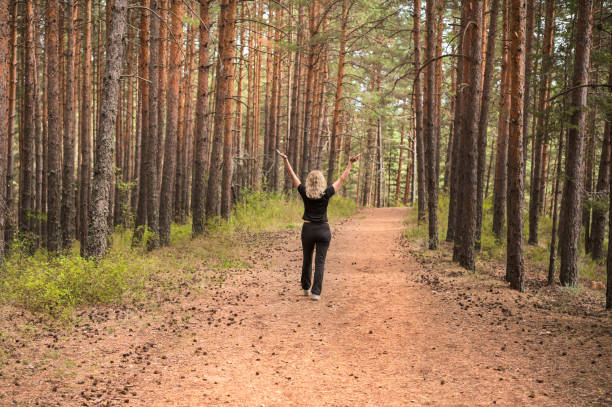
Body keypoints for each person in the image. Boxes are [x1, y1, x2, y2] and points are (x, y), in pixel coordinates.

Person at [276, 149, 361, 301]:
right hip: (323, 230)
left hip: (308, 229)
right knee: (320, 262)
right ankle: (316, 293)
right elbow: (341, 180)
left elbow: (293, 176)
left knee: (307, 259)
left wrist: (286, 160)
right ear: (321, 182)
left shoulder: (304, 192)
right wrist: (349, 164)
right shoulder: (326, 193)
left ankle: (306, 288)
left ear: (309, 181)